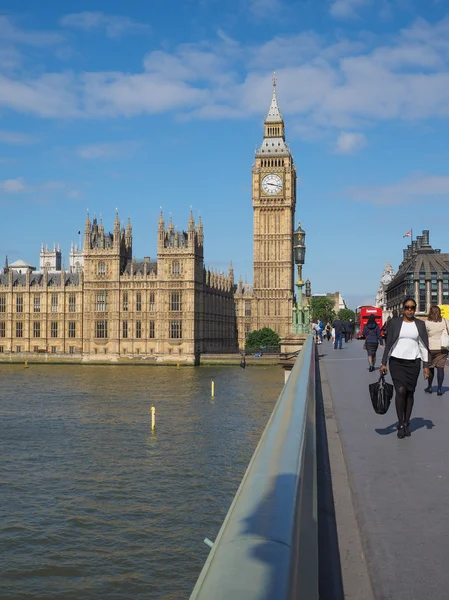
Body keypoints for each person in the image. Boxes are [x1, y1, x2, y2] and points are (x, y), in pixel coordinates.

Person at [380, 298, 430, 439]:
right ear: (403, 309)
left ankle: (407, 421)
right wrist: (383, 362)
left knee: (409, 393)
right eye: (407, 307)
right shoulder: (395, 323)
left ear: (414, 309)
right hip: (396, 362)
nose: (409, 310)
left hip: (413, 363)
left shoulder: (420, 324)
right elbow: (389, 343)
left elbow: (423, 346)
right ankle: (401, 423)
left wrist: (426, 366)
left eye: (412, 308)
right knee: (400, 391)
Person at [424, 305, 449, 395]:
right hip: (442, 348)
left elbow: (424, 335)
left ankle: (430, 387)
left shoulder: (427, 323)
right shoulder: (445, 321)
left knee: (430, 368)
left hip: (430, 348)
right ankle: (439, 389)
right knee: (440, 368)